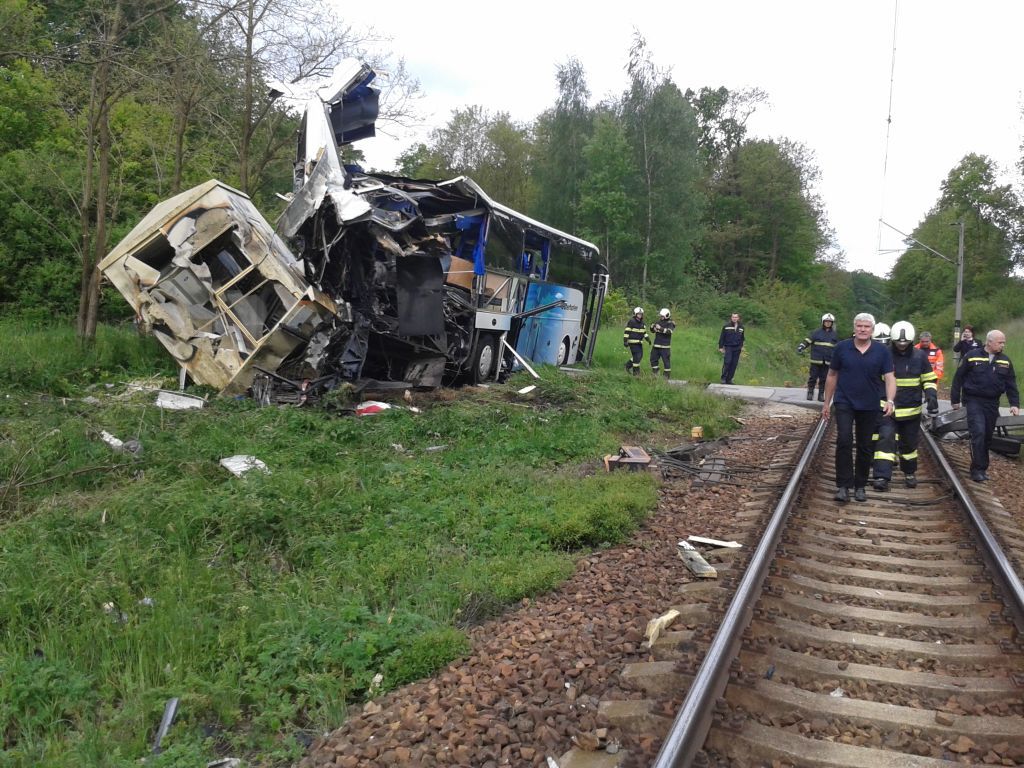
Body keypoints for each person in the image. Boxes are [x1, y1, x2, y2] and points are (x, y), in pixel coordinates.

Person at [821, 312, 897, 503]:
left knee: (865, 445)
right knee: (844, 440)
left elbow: (889, 377)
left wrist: (890, 400)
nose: (863, 330)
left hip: (870, 404)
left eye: (867, 327)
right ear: (854, 328)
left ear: (872, 330)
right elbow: (832, 375)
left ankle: (860, 485)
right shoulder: (841, 348)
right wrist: (826, 403)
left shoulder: (882, 351)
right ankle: (843, 485)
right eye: (860, 326)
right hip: (844, 401)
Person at [872, 321, 938, 490]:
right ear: (893, 340)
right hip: (888, 409)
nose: (902, 346)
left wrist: (931, 395)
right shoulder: (884, 355)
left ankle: (909, 472)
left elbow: (929, 379)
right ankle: (881, 477)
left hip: (911, 410)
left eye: (905, 343)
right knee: (885, 440)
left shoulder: (920, 356)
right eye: (898, 342)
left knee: (909, 445)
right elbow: (874, 379)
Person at [950, 329, 1020, 482]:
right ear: (989, 342)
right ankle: (977, 469)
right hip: (973, 400)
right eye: (1000, 342)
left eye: (1004, 342)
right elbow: (958, 378)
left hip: (992, 403)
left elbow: (1011, 384)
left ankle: (982, 468)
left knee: (987, 436)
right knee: (979, 433)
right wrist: (955, 400)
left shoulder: (1005, 361)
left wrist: (1014, 404)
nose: (1003, 345)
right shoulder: (971, 356)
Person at [797, 313, 838, 401]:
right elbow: (807, 340)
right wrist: (801, 346)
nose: (828, 323)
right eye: (826, 321)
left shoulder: (834, 335)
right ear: (823, 322)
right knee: (813, 377)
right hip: (816, 360)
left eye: (830, 322)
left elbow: (838, 348)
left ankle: (821, 395)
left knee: (824, 379)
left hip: (827, 361)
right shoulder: (816, 332)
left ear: (832, 323)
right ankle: (810, 393)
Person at [718, 312, 744, 384]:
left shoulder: (741, 327)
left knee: (734, 364)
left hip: (737, 348)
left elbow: (742, 338)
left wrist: (741, 346)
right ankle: (723, 378)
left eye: (736, 317)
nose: (734, 318)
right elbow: (722, 337)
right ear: (731, 318)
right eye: (733, 317)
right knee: (727, 362)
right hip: (728, 347)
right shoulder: (726, 326)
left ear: (738, 318)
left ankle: (729, 380)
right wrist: (720, 347)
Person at [623, 306, 649, 376]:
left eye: (641, 314)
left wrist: (648, 339)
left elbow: (644, 333)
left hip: (639, 343)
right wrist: (625, 341)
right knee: (637, 357)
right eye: (638, 314)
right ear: (635, 314)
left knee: (639, 357)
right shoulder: (632, 321)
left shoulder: (642, 323)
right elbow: (627, 332)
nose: (640, 315)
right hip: (633, 343)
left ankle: (627, 366)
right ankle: (636, 373)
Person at [649, 308, 675, 378]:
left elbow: (669, 332)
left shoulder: (670, 323)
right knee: (653, 359)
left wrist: (660, 328)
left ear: (667, 315)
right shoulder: (658, 322)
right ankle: (655, 373)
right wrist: (652, 327)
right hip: (656, 345)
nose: (661, 317)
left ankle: (666, 376)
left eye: (662, 316)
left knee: (666, 362)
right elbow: (653, 331)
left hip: (665, 346)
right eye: (661, 316)